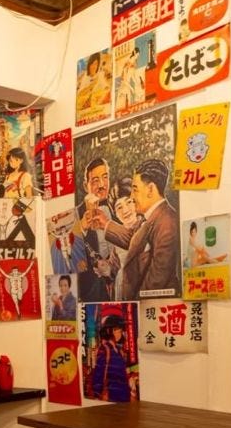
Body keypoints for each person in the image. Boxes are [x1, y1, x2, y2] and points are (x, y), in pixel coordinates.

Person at [95, 159, 180, 299]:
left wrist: (133, 304)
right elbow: (132, 240)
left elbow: (157, 280)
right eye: (119, 207)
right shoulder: (152, 218)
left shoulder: (165, 221)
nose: (133, 197)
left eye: (135, 190)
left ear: (150, 189)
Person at [72, 158, 120, 302]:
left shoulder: (120, 210)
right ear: (85, 185)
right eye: (95, 181)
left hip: (120, 291)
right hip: (90, 295)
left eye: (105, 178)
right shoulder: (75, 215)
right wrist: (82, 227)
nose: (101, 185)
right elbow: (63, 258)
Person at [90, 313, 131, 403]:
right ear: (109, 331)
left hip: (124, 396)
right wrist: (97, 394)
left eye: (120, 329)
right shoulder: (104, 349)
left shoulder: (120, 351)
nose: (119, 332)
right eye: (116, 329)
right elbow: (99, 372)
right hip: (111, 396)